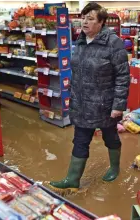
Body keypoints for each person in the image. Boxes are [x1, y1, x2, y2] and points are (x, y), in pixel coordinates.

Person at [48, 2, 130, 193]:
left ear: (101, 22)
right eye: (83, 18)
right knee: (80, 140)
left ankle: (115, 167)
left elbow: (123, 77)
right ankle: (72, 178)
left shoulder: (113, 43)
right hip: (83, 103)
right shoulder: (81, 40)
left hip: (105, 104)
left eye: (90, 18)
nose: (84, 22)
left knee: (110, 137)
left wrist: (118, 105)